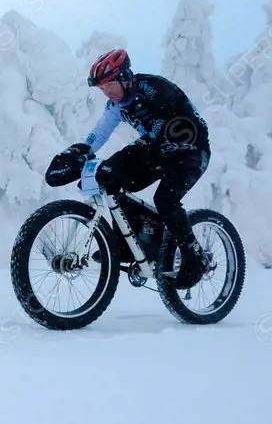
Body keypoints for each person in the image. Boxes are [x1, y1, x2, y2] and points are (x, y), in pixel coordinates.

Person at [59, 48, 211, 289]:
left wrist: (133, 152)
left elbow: (168, 127)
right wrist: (80, 151)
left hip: (191, 150)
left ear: (125, 76)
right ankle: (131, 243)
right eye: (102, 89)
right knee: (112, 181)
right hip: (158, 152)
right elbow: (100, 132)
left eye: (110, 85)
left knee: (166, 199)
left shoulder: (154, 88)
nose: (107, 93)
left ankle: (194, 258)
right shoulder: (115, 105)